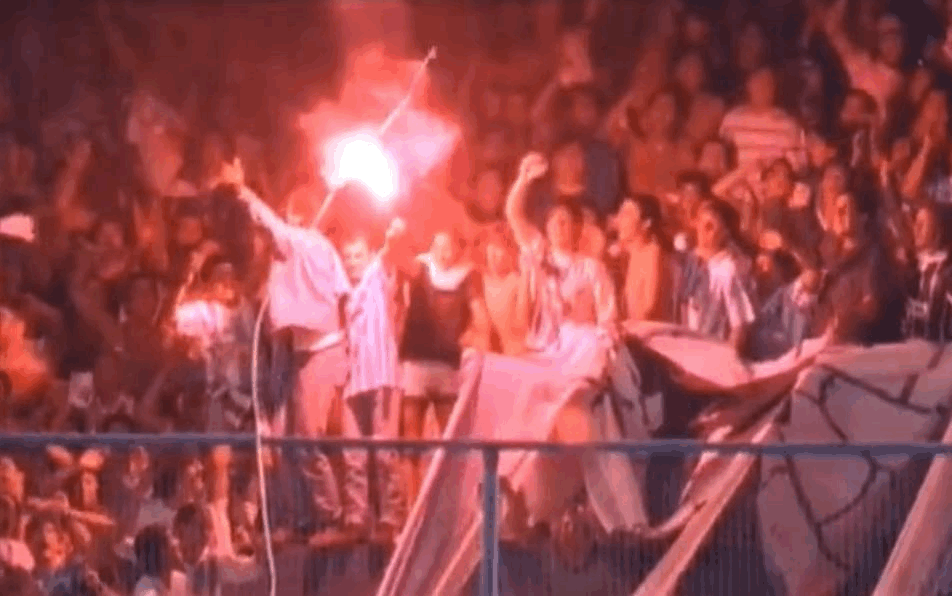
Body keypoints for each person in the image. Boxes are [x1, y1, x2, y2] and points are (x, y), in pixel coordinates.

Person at [227, 160, 348, 543]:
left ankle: (330, 517)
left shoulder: (307, 242)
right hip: (300, 351)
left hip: (321, 350)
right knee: (284, 439)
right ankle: (297, 519)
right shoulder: (301, 250)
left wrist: (243, 190)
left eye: (290, 213)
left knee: (306, 439)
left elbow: (271, 225)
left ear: (299, 216)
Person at [334, 221, 415, 546]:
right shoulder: (343, 294)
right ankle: (357, 517)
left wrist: (393, 233)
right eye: (347, 257)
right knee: (353, 453)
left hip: (381, 375)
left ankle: (390, 518)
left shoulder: (377, 276)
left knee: (383, 453)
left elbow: (388, 251)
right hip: (354, 380)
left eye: (358, 255)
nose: (352, 262)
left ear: (368, 256)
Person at [399, 229, 492, 507]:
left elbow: (482, 320)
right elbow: (396, 258)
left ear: (458, 250)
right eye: (438, 245)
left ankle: (451, 506)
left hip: (447, 368)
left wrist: (471, 338)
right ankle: (413, 506)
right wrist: (396, 235)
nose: (443, 251)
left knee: (451, 441)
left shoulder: (467, 278)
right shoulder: (420, 268)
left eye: (449, 246)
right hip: (416, 363)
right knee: (411, 441)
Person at [610, 194, 678, 323]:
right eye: (620, 213)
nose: (619, 220)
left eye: (626, 214)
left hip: (652, 331)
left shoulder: (654, 253)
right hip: (635, 328)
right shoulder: (632, 254)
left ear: (646, 223)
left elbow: (650, 309)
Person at [903, 202, 952, 341]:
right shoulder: (914, 269)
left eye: (922, 224)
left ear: (939, 230)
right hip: (912, 349)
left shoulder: (947, 272)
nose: (915, 229)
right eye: (915, 223)